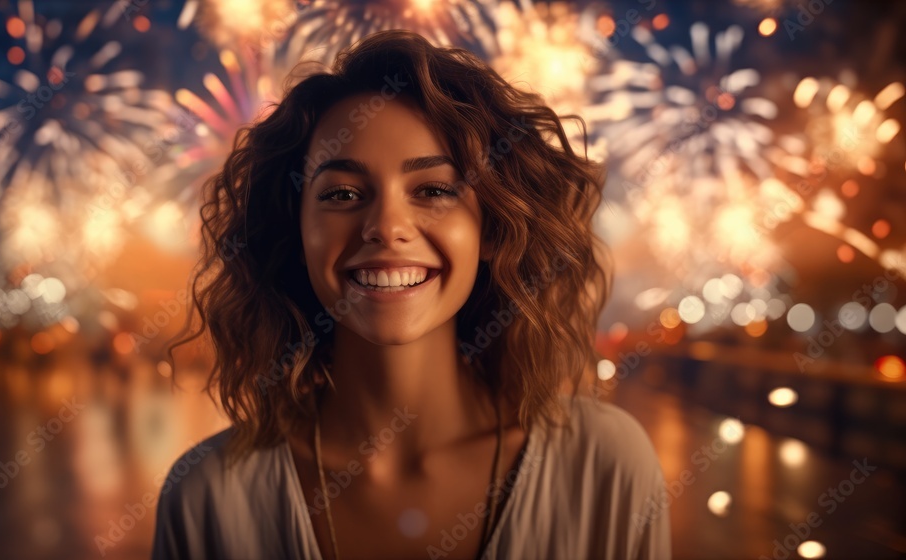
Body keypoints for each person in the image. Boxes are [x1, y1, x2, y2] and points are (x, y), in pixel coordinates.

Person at [154, 29, 670, 560]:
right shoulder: (206, 499)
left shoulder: (606, 467)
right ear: (294, 234)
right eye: (342, 194)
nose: (386, 226)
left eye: (433, 190)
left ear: (494, 228)